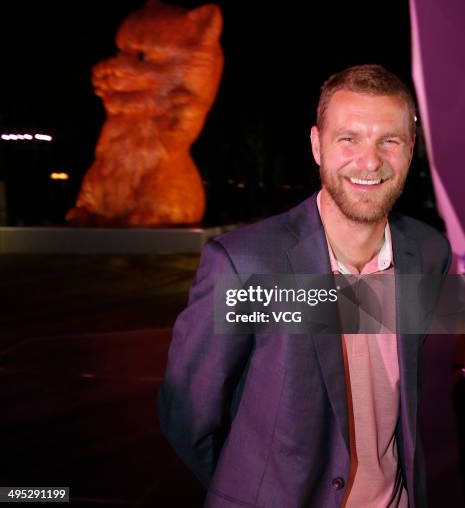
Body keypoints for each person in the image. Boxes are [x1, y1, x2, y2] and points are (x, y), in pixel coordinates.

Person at [158, 65, 452, 508]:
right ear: (317, 145)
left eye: (388, 141)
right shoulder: (247, 264)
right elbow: (188, 414)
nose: (369, 161)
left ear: (411, 149)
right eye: (348, 139)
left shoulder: (429, 254)